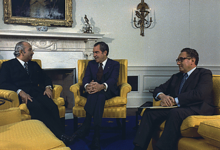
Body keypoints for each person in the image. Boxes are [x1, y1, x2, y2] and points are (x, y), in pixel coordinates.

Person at [133, 48, 214, 150]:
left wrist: (175, 100)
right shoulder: (176, 77)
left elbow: (200, 94)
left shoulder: (204, 73)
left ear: (192, 61)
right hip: (179, 108)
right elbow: (158, 89)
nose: (178, 63)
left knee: (175, 113)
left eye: (181, 59)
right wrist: (163, 96)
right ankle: (139, 147)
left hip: (197, 108)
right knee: (149, 112)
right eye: (178, 60)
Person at [0, 41, 73, 145]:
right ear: (21, 52)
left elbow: (46, 78)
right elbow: (3, 83)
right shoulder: (8, 65)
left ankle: (60, 135)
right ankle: (59, 135)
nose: (33, 52)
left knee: (52, 106)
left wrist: (48, 88)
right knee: (38, 108)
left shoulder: (34, 64)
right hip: (23, 96)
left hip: (38, 93)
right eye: (30, 50)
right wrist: (19, 92)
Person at [72, 42, 120, 150]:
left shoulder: (114, 64)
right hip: (95, 92)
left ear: (105, 52)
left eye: (97, 52)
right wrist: (87, 86)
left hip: (108, 91)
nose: (94, 55)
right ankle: (96, 135)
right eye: (94, 52)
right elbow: (86, 78)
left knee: (100, 94)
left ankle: (86, 124)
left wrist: (102, 86)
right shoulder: (91, 64)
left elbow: (113, 80)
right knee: (98, 96)